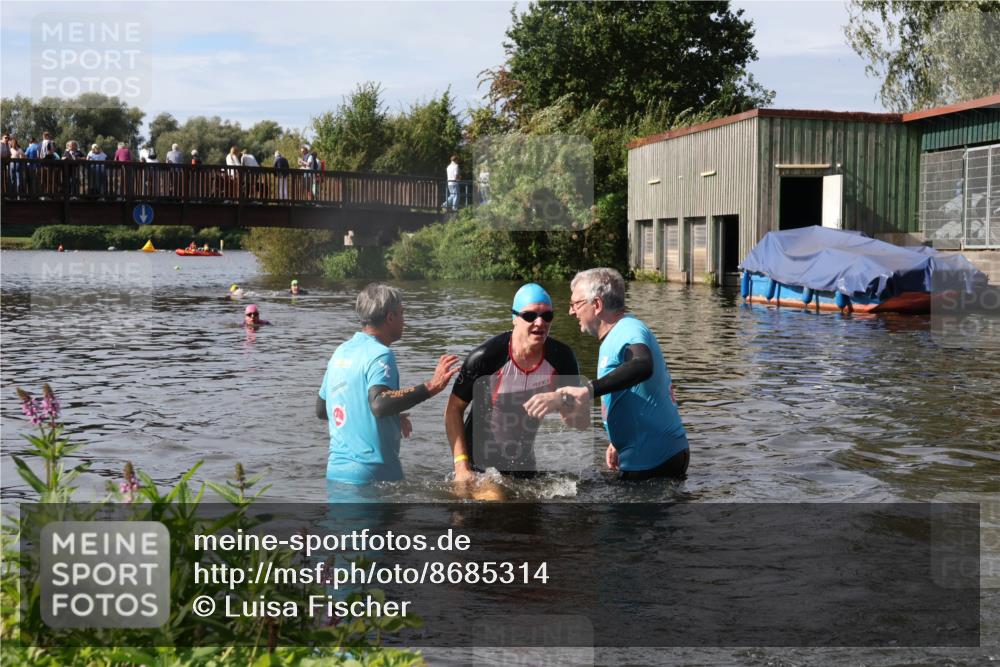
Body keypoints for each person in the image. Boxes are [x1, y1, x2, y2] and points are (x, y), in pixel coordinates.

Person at [541, 268, 689, 480]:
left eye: (576, 304)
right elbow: (633, 390)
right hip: (651, 456)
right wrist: (617, 440)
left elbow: (642, 365)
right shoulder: (617, 334)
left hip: (655, 461)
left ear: (597, 305)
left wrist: (587, 390)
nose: (571, 312)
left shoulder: (628, 329)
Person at [317, 283, 460, 485]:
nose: (405, 320)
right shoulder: (380, 354)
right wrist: (431, 386)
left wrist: (391, 414)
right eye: (402, 313)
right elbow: (380, 403)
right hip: (374, 475)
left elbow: (323, 409)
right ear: (390, 317)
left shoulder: (340, 351)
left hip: (336, 474)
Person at [445, 283, 587, 484]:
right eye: (530, 316)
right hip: (480, 466)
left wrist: (560, 400)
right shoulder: (486, 357)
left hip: (525, 465)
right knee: (497, 501)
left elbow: (578, 422)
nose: (540, 322)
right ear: (514, 318)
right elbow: (453, 410)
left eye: (547, 316)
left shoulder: (562, 358)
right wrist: (461, 467)